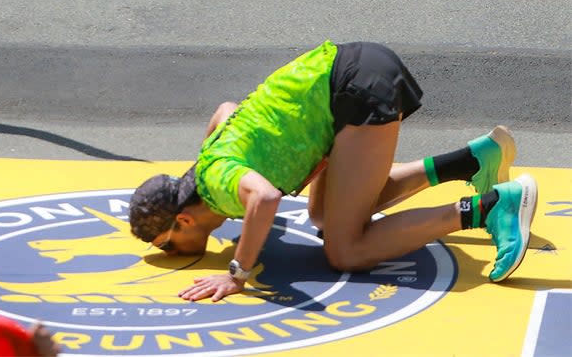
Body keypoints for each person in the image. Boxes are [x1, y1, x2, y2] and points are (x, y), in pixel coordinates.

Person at [128, 40, 537, 302]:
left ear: (184, 218)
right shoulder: (210, 161)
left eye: (168, 244)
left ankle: (490, 207)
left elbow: (265, 199)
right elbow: (224, 110)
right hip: (348, 70)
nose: (173, 253)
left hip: (353, 90)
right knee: (325, 215)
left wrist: (239, 274)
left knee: (346, 250)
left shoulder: (217, 182)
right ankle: (468, 161)